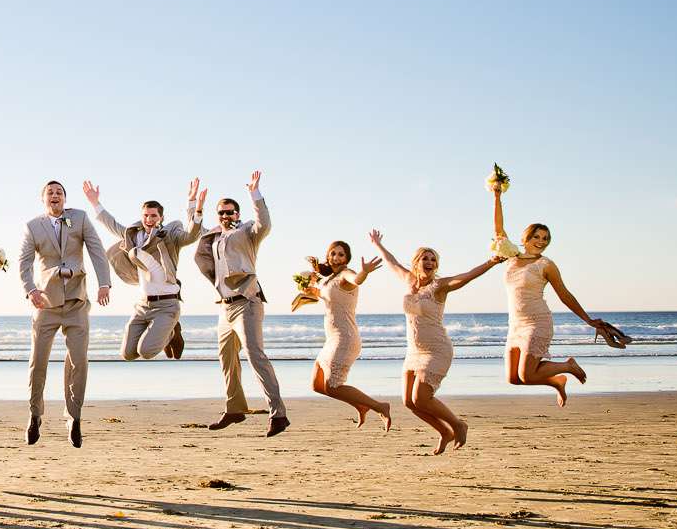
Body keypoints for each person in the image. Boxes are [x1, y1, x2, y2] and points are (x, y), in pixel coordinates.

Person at [369, 229, 504, 454]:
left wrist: (491, 262)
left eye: (433, 259)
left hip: (437, 350)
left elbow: (468, 276)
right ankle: (444, 432)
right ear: (416, 263)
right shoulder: (409, 280)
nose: (430, 262)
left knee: (421, 397)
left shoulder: (440, 286)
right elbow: (391, 262)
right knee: (409, 402)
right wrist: (377, 244)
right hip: (413, 352)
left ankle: (458, 424)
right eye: (425, 258)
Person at [491, 182, 610, 406]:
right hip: (515, 325)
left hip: (538, 322)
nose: (541, 242)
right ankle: (557, 381)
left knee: (527, 374)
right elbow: (498, 230)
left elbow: (565, 294)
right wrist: (497, 196)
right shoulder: (511, 256)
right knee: (514, 379)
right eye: (537, 237)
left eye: (545, 239)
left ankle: (568, 366)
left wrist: (588, 320)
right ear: (525, 238)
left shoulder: (546, 265)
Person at [193, 171, 287, 436]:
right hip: (224, 306)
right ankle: (234, 408)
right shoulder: (213, 236)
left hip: (247, 302)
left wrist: (255, 194)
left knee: (255, 356)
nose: (226, 216)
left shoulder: (248, 231)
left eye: (230, 212)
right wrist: (195, 205)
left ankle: (278, 413)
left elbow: (264, 223)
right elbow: (193, 230)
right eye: (222, 212)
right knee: (226, 358)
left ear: (237, 213)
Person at [18, 181, 111, 447]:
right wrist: (31, 290)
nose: (55, 195)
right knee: (38, 362)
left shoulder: (79, 218)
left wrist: (104, 283)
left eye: (59, 192)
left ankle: (74, 417)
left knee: (79, 361)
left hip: (76, 302)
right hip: (45, 303)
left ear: (65, 199)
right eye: (50, 192)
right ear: (43, 199)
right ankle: (35, 414)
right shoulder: (33, 226)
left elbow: (96, 250)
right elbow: (24, 263)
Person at [85, 178, 204, 362]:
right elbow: (113, 224)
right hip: (143, 305)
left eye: (153, 216)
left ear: (161, 218)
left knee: (146, 352)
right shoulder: (134, 236)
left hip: (167, 305)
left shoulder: (170, 237)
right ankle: (167, 331)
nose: (149, 219)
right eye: (146, 216)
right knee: (128, 354)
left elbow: (191, 234)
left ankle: (172, 333)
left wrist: (194, 206)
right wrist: (95, 202)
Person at [303, 241, 389, 427]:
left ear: (347, 258)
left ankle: (379, 406)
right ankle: (361, 406)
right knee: (317, 386)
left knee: (333, 386)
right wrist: (311, 290)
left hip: (345, 338)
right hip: (331, 339)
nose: (336, 257)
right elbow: (329, 296)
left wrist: (364, 272)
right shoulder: (329, 279)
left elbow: (357, 279)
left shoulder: (346, 275)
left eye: (341, 254)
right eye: (333, 253)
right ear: (328, 256)